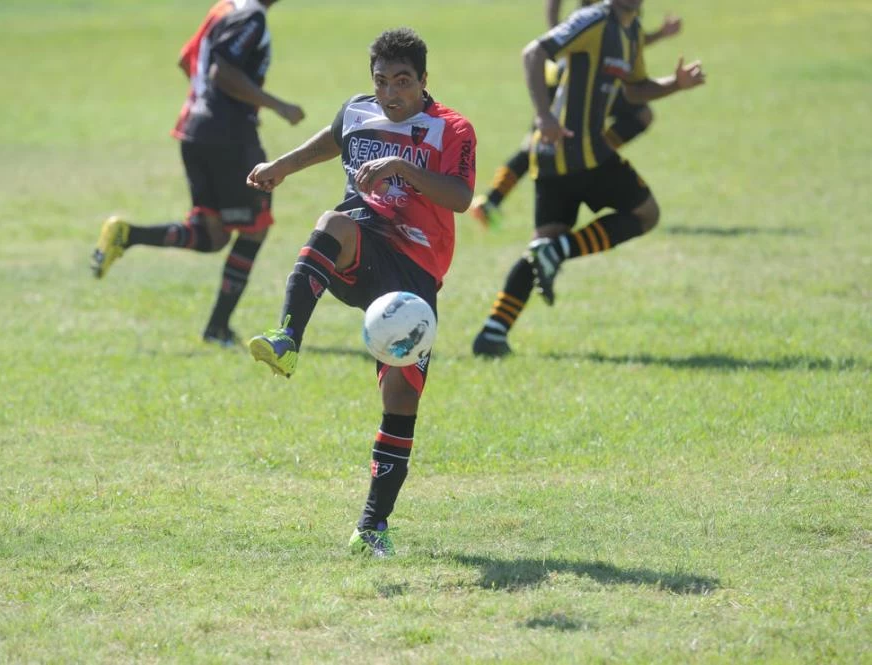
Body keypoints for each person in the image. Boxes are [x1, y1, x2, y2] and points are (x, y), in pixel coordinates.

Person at [245, 28, 476, 557]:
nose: (391, 93)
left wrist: (403, 169)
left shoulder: (450, 129)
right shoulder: (357, 111)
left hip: (414, 275)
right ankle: (286, 338)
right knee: (334, 220)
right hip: (360, 247)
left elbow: (461, 197)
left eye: (403, 82)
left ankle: (372, 526)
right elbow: (334, 137)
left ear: (423, 81)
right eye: (382, 82)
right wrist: (283, 166)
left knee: (400, 399)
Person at [472, 0, 704, 357]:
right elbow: (533, 53)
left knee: (542, 245)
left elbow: (635, 89)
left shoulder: (630, 32)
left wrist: (676, 83)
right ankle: (558, 252)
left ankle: (493, 331)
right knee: (646, 213)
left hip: (557, 160)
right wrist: (544, 116)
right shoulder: (595, 20)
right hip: (579, 153)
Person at [90, 0, 304, 347]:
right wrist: (275, 105)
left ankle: (126, 235)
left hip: (194, 129)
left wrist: (215, 105)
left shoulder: (223, 9)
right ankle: (217, 329)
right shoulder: (250, 16)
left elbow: (185, 59)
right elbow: (223, 72)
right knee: (255, 230)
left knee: (213, 235)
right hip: (228, 138)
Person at [469, 0, 682, 229]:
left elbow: (626, 42)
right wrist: (557, 37)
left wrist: (659, 34)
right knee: (538, 143)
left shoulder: (623, 22)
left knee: (638, 116)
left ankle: (493, 199)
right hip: (573, 71)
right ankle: (492, 199)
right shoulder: (595, 17)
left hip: (596, 68)